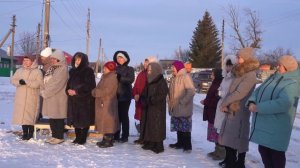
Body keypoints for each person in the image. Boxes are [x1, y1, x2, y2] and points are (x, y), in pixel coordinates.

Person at [248, 55, 300, 168]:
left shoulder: (294, 83)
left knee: (276, 154)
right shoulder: (273, 77)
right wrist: (252, 101)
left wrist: (259, 107)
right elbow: (258, 90)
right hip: (265, 123)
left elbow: (284, 103)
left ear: (287, 67)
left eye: (280, 65)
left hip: (277, 125)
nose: (277, 66)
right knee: (263, 150)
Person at [219, 47, 259, 168]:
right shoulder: (240, 72)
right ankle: (232, 162)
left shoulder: (250, 74)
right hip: (233, 109)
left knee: (236, 138)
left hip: (240, 110)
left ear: (246, 58)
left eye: (239, 57)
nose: (237, 58)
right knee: (229, 138)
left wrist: (224, 103)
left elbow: (240, 93)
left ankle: (235, 163)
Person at [66, 52, 96, 145]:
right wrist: (68, 90)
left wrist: (77, 92)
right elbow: (68, 83)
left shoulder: (88, 71)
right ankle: (77, 137)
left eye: (79, 59)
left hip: (84, 100)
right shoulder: (72, 71)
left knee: (84, 120)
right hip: (73, 99)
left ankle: (83, 138)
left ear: (84, 60)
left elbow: (90, 86)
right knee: (75, 119)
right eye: (76, 59)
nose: (77, 61)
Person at [11, 56, 43, 140]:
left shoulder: (37, 72)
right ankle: (25, 133)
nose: (25, 62)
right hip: (21, 96)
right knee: (23, 115)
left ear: (32, 61)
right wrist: (19, 82)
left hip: (32, 96)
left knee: (30, 115)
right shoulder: (19, 70)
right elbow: (13, 80)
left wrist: (27, 82)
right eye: (24, 60)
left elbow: (39, 83)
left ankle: (30, 133)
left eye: (27, 60)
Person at [41, 49, 69, 145]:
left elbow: (57, 84)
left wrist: (46, 93)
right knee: (52, 117)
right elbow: (46, 81)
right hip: (50, 96)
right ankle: (54, 136)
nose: (52, 60)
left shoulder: (63, 69)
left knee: (58, 117)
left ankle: (59, 137)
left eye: (54, 59)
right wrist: (44, 90)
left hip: (58, 97)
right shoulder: (52, 68)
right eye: (51, 58)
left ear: (60, 59)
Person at [140, 62, 168, 153]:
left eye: (150, 70)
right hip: (149, 107)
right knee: (149, 125)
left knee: (157, 126)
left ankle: (159, 145)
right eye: (148, 70)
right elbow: (144, 92)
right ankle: (151, 142)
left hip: (157, 108)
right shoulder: (149, 80)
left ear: (156, 71)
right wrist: (143, 98)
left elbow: (162, 95)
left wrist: (151, 100)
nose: (148, 72)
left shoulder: (161, 81)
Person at [214, 55, 237, 166]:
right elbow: (221, 88)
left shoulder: (235, 78)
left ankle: (231, 159)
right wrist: (219, 92)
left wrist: (222, 94)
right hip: (222, 105)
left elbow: (231, 93)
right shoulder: (225, 77)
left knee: (229, 136)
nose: (228, 68)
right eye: (227, 65)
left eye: (230, 65)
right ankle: (227, 159)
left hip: (228, 107)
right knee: (223, 135)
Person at [168, 60, 195, 153]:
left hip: (184, 107)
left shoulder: (185, 77)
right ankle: (180, 143)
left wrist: (183, 102)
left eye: (173, 67)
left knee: (185, 127)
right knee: (178, 126)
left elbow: (191, 91)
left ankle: (187, 146)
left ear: (178, 68)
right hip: (175, 107)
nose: (172, 69)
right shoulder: (174, 78)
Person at [92, 61, 119, 148]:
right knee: (105, 121)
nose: (104, 69)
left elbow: (106, 91)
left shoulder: (111, 78)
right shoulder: (106, 76)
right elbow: (99, 88)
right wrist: (95, 91)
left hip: (107, 103)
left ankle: (108, 140)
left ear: (110, 68)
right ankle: (105, 139)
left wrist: (95, 92)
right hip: (104, 102)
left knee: (108, 122)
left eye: (105, 68)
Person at [132, 56, 158, 144]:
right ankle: (142, 137)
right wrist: (135, 94)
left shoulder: (154, 74)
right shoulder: (141, 74)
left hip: (147, 101)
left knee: (148, 119)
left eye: (147, 62)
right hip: (139, 101)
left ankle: (148, 138)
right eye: (145, 62)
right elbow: (135, 86)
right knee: (141, 119)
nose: (145, 64)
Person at [200, 68, 223, 160]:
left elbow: (217, 100)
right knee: (214, 133)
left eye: (213, 74)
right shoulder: (215, 83)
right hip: (212, 113)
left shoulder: (220, 85)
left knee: (218, 133)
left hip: (216, 113)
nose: (211, 76)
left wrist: (206, 102)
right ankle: (216, 150)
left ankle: (221, 152)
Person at [113, 50, 135, 143]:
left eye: (121, 57)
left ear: (125, 59)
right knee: (116, 117)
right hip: (115, 96)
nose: (119, 59)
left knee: (124, 116)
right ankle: (116, 135)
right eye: (118, 57)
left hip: (125, 96)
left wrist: (120, 78)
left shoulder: (130, 69)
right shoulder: (114, 68)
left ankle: (125, 136)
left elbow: (130, 79)